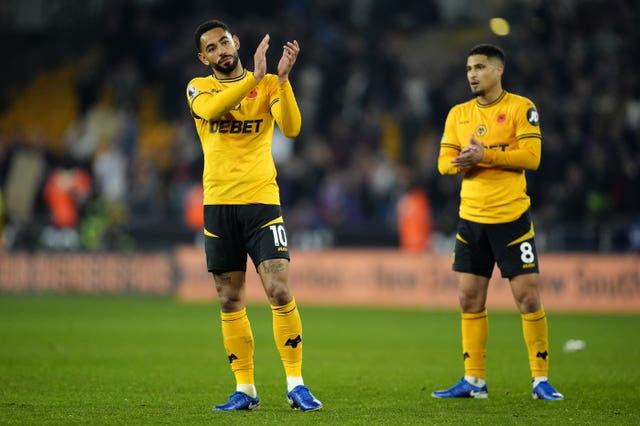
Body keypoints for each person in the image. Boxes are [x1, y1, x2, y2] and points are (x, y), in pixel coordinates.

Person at [186, 19, 322, 412]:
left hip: (262, 201)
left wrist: (280, 79)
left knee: (278, 289)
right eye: (211, 48)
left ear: (236, 42)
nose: (220, 51)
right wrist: (256, 78)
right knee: (230, 298)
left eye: (224, 42)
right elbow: (212, 109)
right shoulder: (199, 87)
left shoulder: (267, 85)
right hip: (218, 205)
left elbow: (292, 129)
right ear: (203, 57)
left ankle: (296, 384)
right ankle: (245, 389)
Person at [432, 44, 564, 401]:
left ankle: (540, 379)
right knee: (469, 298)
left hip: (510, 219)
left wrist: (484, 154)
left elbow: (532, 157)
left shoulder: (522, 108)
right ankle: (474, 380)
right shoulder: (458, 114)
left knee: (527, 297)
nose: (471, 74)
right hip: (471, 220)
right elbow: (443, 163)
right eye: (468, 68)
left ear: (497, 71)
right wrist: (465, 160)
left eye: (478, 67)